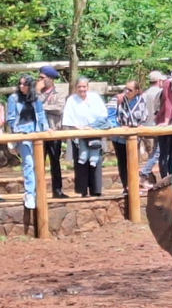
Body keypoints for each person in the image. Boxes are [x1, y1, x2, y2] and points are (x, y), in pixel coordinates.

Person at [7, 74, 49, 209]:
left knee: (38, 163)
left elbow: (41, 115)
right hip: (23, 133)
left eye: (24, 84)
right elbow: (11, 118)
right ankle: (29, 193)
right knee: (28, 163)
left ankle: (38, 191)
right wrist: (17, 131)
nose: (21, 86)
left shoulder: (35, 99)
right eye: (20, 84)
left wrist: (46, 129)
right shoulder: (13, 99)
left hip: (36, 131)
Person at [62, 77, 109, 197]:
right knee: (81, 163)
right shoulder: (71, 100)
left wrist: (91, 127)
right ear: (76, 87)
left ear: (87, 87)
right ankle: (82, 190)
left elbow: (103, 115)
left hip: (94, 134)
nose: (81, 89)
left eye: (84, 86)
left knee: (95, 162)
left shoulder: (95, 97)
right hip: (79, 135)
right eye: (79, 87)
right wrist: (79, 129)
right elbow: (68, 119)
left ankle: (96, 190)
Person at [107, 80, 147, 195]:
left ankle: (134, 186)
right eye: (126, 88)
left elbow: (145, 115)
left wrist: (139, 125)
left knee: (133, 162)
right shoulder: (118, 99)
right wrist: (119, 126)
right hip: (119, 136)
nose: (127, 91)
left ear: (136, 91)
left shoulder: (141, 101)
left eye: (130, 90)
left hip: (134, 136)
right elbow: (109, 116)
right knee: (123, 162)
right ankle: (126, 187)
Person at [37, 66, 69, 198]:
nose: (40, 80)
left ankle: (57, 190)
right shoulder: (36, 93)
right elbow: (32, 107)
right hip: (38, 133)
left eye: (42, 78)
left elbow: (59, 109)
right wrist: (38, 93)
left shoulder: (59, 93)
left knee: (55, 162)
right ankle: (38, 191)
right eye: (39, 77)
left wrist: (41, 107)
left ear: (50, 79)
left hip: (54, 132)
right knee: (38, 163)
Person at [139, 70, 166, 187]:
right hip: (157, 125)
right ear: (159, 81)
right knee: (158, 152)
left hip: (146, 125)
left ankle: (147, 173)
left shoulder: (144, 94)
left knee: (156, 151)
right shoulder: (160, 92)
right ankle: (144, 173)